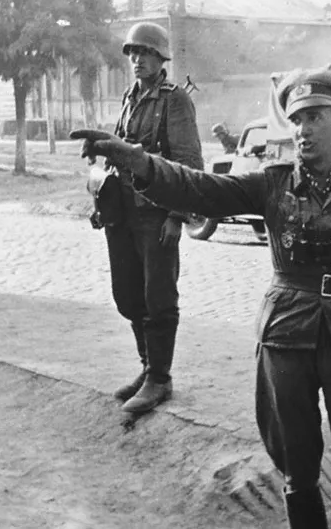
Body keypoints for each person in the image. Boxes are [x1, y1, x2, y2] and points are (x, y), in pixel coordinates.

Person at [70, 67, 331, 529]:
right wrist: (136, 161)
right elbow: (198, 188)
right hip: (285, 340)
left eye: (314, 117)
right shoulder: (271, 183)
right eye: (296, 120)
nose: (303, 130)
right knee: (296, 471)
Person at [97, 22, 203, 414]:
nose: (137, 60)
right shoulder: (131, 96)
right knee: (128, 294)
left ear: (161, 58)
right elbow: (122, 149)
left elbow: (188, 161)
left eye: (145, 53)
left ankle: (160, 377)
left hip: (156, 212)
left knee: (158, 296)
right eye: (132, 53)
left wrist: (176, 215)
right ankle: (146, 367)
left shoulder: (175, 100)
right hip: (123, 211)